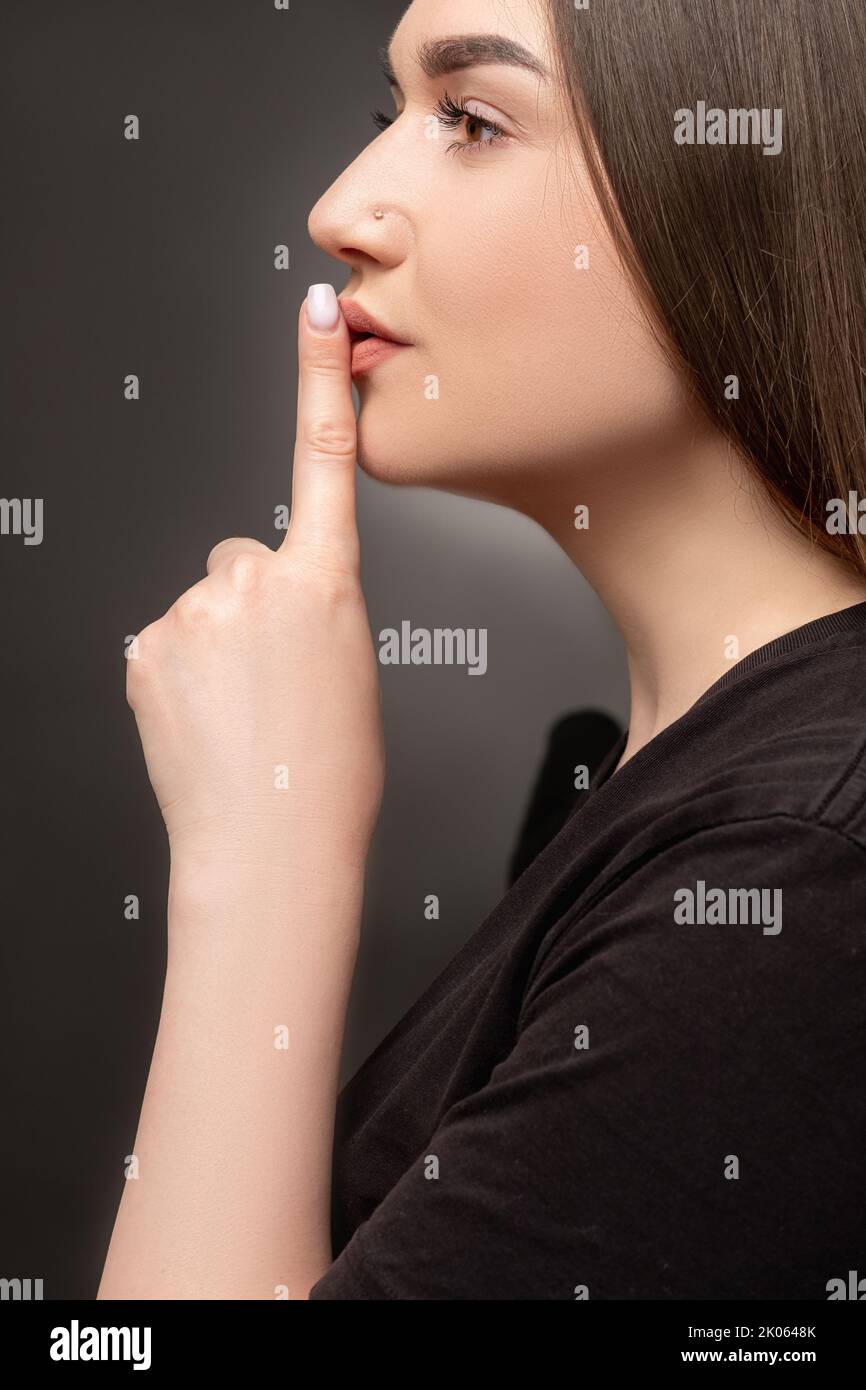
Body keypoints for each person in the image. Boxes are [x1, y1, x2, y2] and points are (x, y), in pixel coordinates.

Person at [97, 0, 866, 1299]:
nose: (340, 208)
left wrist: (259, 866)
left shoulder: (796, 874)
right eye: (389, 114)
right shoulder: (675, 791)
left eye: (471, 118)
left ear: (748, 182)